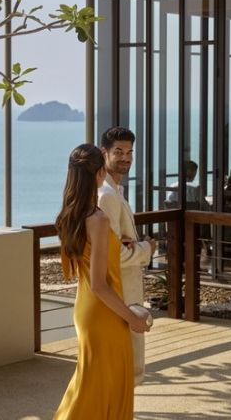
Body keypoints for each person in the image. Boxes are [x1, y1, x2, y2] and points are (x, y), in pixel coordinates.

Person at [53, 144, 150, 420]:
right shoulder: (97, 219)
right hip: (102, 312)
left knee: (91, 383)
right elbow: (99, 283)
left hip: (85, 311)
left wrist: (119, 244)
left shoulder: (70, 217)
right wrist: (132, 316)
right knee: (105, 386)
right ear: (98, 173)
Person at [98, 126, 155, 386]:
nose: (125, 158)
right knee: (123, 371)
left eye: (130, 152)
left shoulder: (115, 192)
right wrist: (147, 249)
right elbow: (112, 255)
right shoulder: (107, 197)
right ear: (104, 153)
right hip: (118, 291)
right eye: (118, 152)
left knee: (124, 370)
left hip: (124, 291)